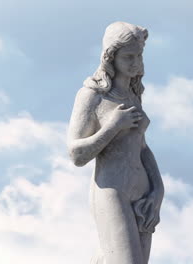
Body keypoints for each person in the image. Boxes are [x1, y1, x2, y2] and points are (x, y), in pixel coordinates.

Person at [67, 21, 164, 264]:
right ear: (111, 57)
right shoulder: (92, 95)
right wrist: (113, 126)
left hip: (143, 193)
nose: (135, 63)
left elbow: (142, 148)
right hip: (112, 191)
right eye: (128, 57)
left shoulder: (134, 97)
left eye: (139, 55)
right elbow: (76, 154)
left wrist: (158, 190)